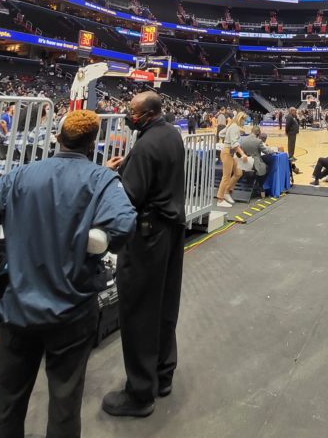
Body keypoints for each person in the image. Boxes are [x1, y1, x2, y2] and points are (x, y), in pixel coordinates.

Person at [0, 110, 136, 438]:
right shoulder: (102, 180)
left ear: (58, 138)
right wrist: (92, 247)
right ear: (92, 144)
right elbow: (123, 225)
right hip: (72, 309)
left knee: (7, 403)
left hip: (20, 304)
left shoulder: (20, 175)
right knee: (65, 404)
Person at [102, 91, 187, 418]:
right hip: (172, 231)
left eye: (132, 111)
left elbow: (129, 197)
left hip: (148, 237)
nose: (128, 114)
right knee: (165, 305)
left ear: (147, 115)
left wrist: (111, 176)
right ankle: (163, 376)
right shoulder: (172, 134)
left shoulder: (145, 146)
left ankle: (140, 393)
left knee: (138, 311)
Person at [216, 111, 249, 209]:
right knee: (226, 177)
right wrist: (242, 154)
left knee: (238, 173)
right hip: (227, 153)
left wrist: (227, 135)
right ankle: (220, 199)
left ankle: (226, 191)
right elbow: (235, 144)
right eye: (244, 120)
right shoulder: (234, 127)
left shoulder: (232, 126)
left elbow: (221, 134)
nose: (245, 122)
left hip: (230, 153)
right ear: (240, 119)